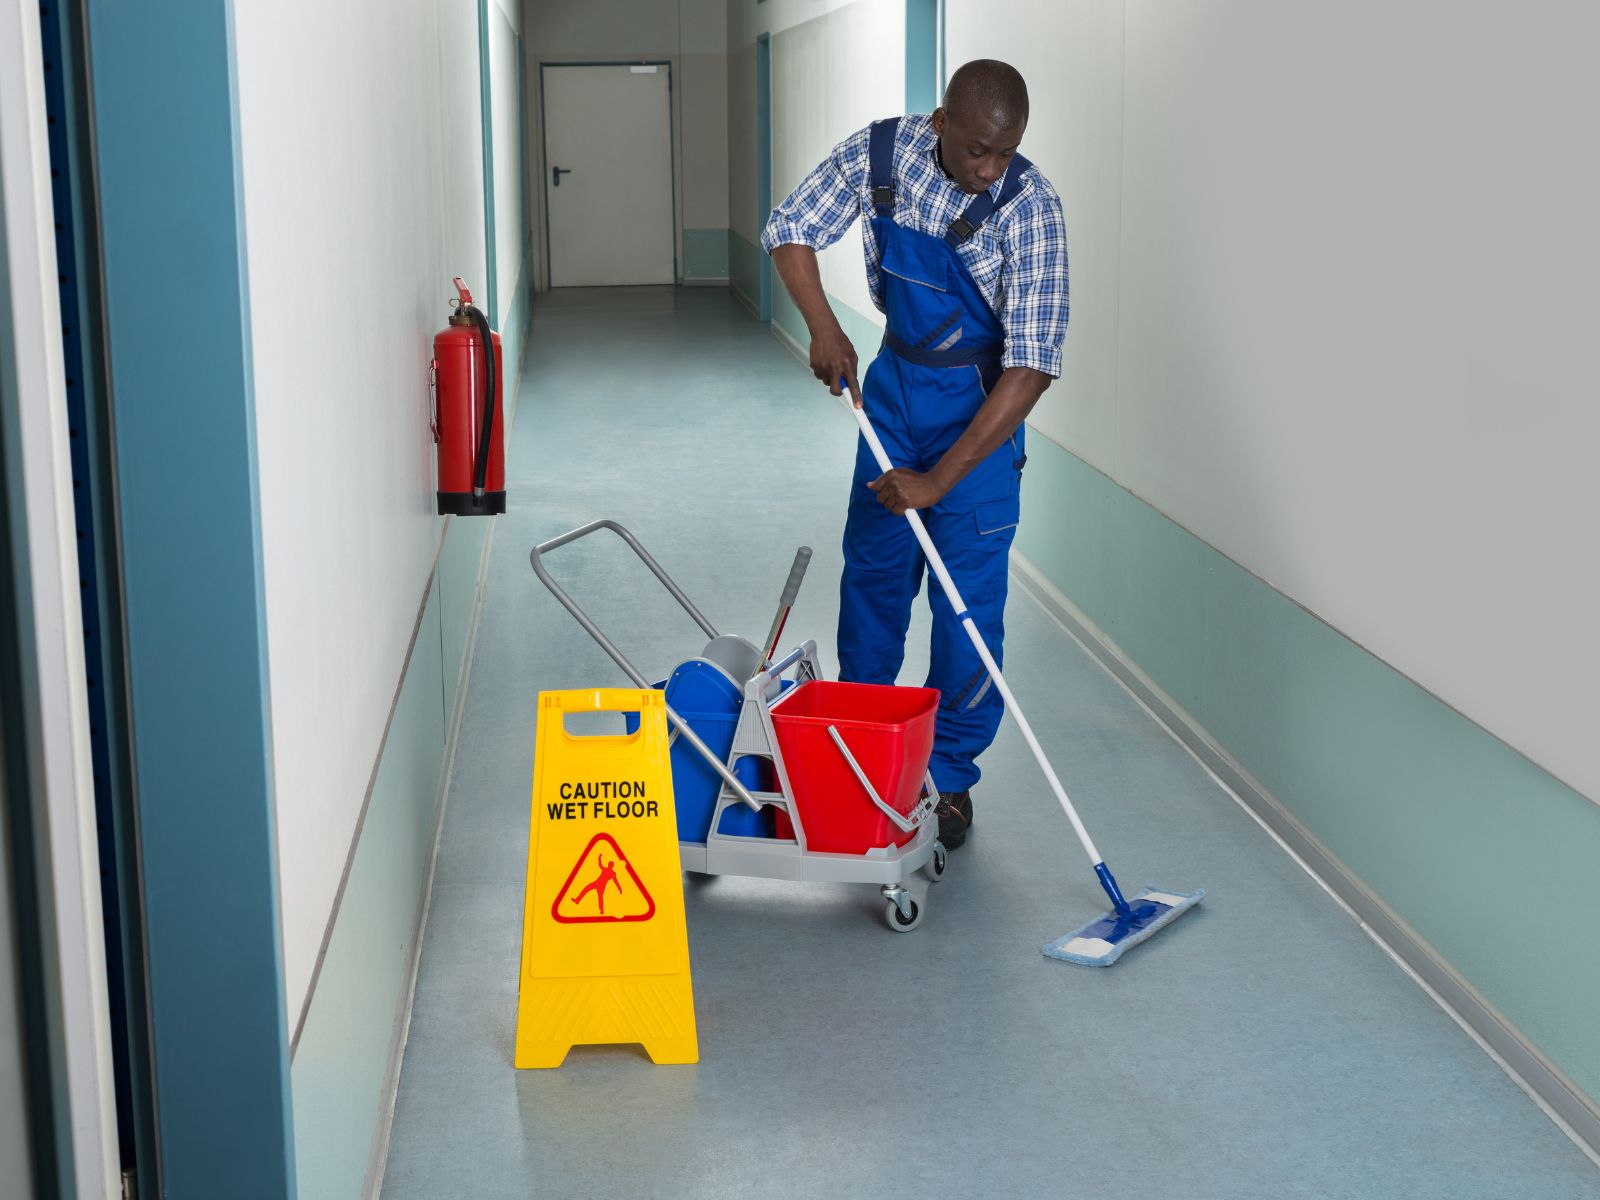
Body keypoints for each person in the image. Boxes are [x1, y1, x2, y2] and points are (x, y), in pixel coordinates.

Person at [762, 59, 1068, 849]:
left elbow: (1030, 365)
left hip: (982, 414)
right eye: (976, 152)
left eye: (1004, 154)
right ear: (940, 124)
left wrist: (939, 479)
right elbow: (789, 228)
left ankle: (951, 780)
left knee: (967, 611)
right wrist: (823, 327)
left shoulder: (1030, 209)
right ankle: (864, 750)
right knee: (873, 578)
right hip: (895, 393)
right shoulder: (880, 157)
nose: (990, 170)